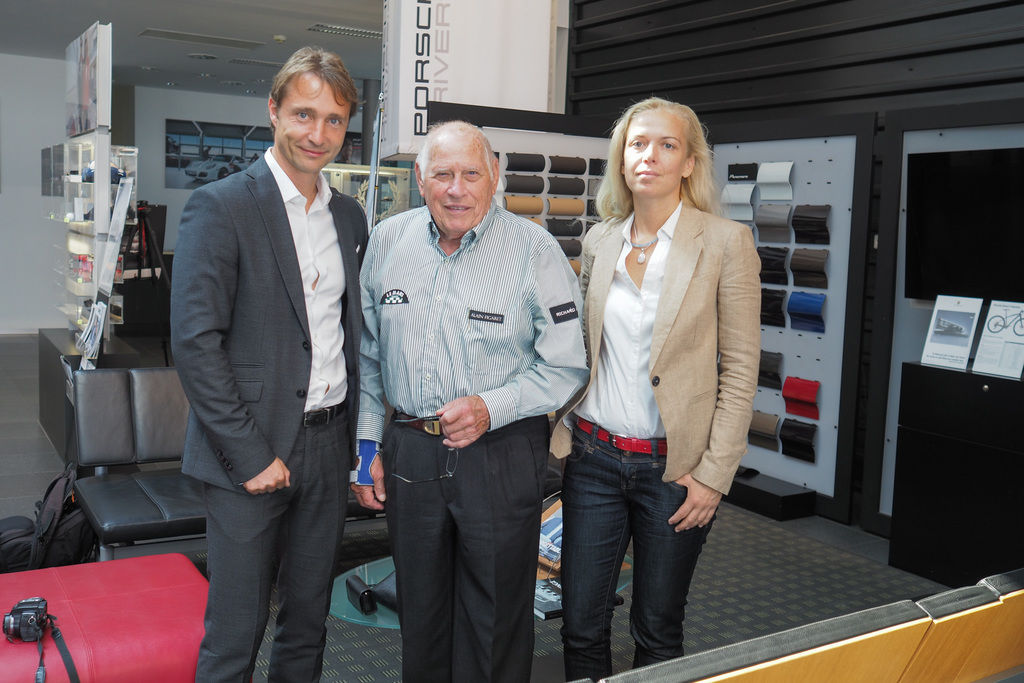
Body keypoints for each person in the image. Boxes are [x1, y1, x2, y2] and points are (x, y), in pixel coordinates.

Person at [352, 120, 589, 682]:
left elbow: (566, 365)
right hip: (411, 448)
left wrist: (491, 406)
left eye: (471, 174)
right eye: (442, 174)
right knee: (420, 609)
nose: (456, 189)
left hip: (501, 452)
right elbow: (367, 356)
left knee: (496, 613)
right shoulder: (387, 240)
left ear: (494, 176)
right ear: (420, 179)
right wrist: (365, 449)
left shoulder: (535, 250)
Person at [170, 46, 367, 682]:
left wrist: (360, 443)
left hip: (329, 445)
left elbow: (347, 334)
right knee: (235, 634)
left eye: (334, 120)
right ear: (274, 111)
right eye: (304, 114)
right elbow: (195, 344)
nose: (318, 134)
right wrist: (251, 456)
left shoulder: (349, 216)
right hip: (248, 451)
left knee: (308, 623)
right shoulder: (221, 205)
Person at [551, 97, 761, 681]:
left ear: (689, 163)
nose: (650, 156)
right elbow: (582, 348)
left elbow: (741, 369)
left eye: (667, 145)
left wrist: (714, 475)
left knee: (657, 630)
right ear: (622, 160)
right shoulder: (600, 240)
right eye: (638, 144)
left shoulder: (725, 242)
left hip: (676, 472)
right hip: (592, 460)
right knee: (580, 624)